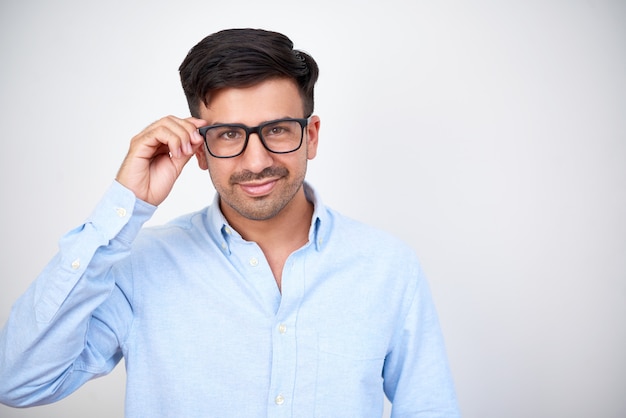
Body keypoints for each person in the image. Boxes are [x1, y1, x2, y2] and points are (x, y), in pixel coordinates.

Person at [0, 28, 460, 417]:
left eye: (277, 129)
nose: (256, 160)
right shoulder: (138, 265)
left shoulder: (387, 266)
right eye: (229, 135)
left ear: (311, 136)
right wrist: (126, 206)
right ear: (198, 147)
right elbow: (18, 381)